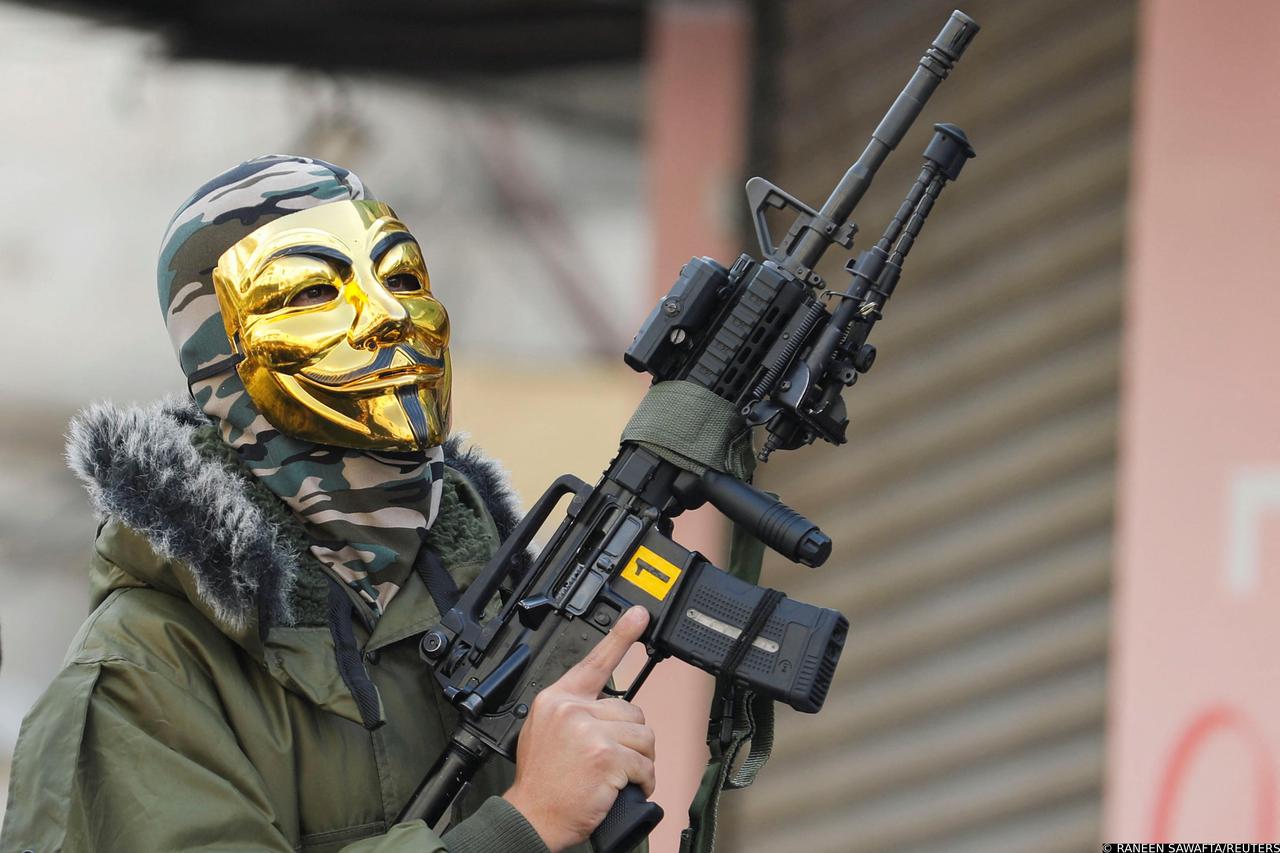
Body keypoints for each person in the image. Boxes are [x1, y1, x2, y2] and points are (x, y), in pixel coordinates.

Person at [1, 155, 656, 853]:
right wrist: (519, 827)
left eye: (401, 275)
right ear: (221, 356)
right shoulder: (140, 675)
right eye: (313, 290)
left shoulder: (505, 610)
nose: (390, 315)